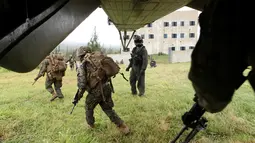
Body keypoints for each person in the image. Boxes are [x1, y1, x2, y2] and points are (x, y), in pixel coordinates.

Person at [72, 48, 130, 135]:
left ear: (80, 56)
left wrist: (78, 96)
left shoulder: (84, 64)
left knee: (88, 106)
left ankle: (90, 125)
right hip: (106, 87)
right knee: (107, 109)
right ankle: (122, 126)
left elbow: (82, 84)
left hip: (96, 91)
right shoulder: (97, 58)